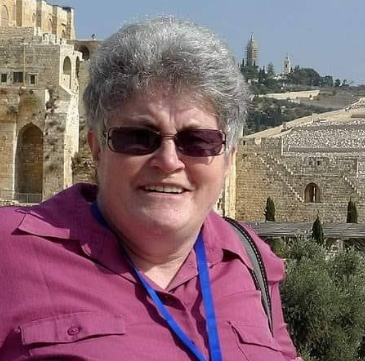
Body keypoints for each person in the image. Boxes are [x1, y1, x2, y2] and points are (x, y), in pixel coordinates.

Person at [0, 17, 303, 361]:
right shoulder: (9, 250)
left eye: (198, 141)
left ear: (229, 157)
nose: (168, 160)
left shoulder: (252, 261)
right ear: (97, 147)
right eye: (139, 137)